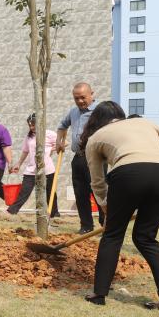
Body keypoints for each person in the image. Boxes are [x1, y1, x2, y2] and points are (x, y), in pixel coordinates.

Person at [81, 102, 159, 311]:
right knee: (146, 238)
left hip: (128, 173)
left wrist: (104, 204)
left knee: (113, 235)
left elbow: (97, 180)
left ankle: (99, 294)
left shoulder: (96, 137)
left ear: (96, 121)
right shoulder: (145, 123)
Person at [56, 82, 104, 233]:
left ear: (91, 94)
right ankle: (86, 226)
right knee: (80, 193)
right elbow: (62, 126)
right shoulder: (73, 112)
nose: (80, 101)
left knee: (99, 192)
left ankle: (106, 225)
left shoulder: (100, 111)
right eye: (76, 98)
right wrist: (59, 141)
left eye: (83, 97)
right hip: (78, 158)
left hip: (95, 158)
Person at [6, 114, 60, 216]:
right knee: (24, 191)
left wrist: (51, 149)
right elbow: (25, 151)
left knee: (50, 192)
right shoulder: (29, 136)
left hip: (47, 169)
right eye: (30, 125)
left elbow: (64, 143)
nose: (31, 127)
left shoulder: (49, 134)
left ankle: (54, 214)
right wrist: (19, 164)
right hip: (31, 169)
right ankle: (11, 211)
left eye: (33, 125)